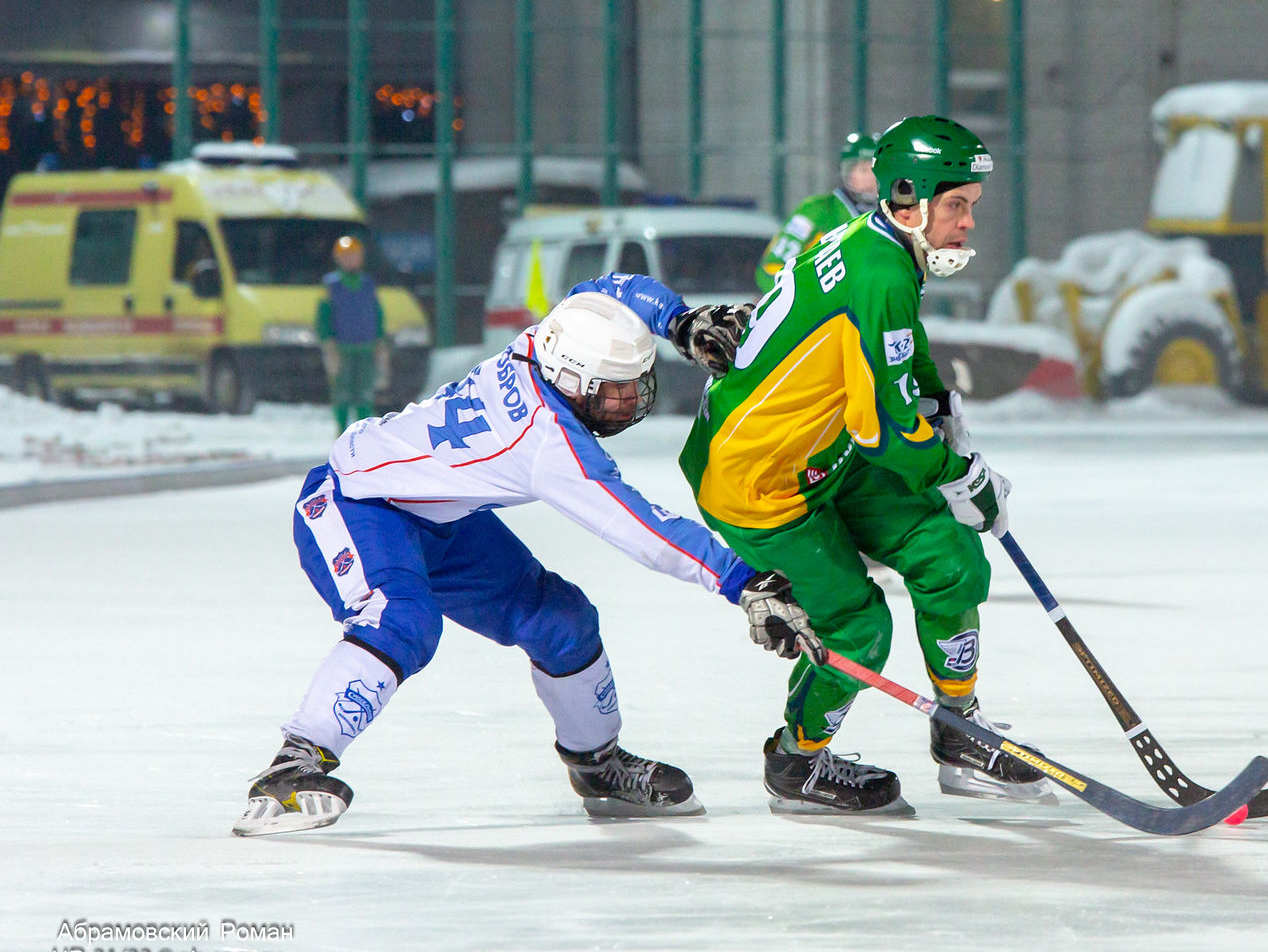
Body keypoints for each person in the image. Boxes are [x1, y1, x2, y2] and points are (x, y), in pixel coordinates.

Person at [233, 273, 811, 835]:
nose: (630, 400)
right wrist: (741, 581)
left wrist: (677, 321)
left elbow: (605, 290)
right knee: (400, 618)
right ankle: (296, 761)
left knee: (562, 619)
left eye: (635, 381)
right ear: (572, 380)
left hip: (439, 514)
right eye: (614, 389)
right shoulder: (548, 442)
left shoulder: (539, 344)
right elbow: (643, 529)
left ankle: (597, 765)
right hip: (354, 502)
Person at [680, 115, 1049, 816]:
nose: (969, 222)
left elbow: (898, 354)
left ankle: (960, 732)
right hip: (760, 480)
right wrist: (957, 472)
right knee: (858, 629)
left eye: (972, 204)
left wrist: (938, 402)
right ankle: (798, 760)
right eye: (958, 205)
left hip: (824, 450)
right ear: (909, 199)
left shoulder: (876, 245)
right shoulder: (880, 270)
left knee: (952, 559)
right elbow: (891, 437)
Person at [754, 130, 879, 294]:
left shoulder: (893, 215)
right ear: (848, 172)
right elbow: (770, 270)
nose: (872, 176)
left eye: (877, 168)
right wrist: (809, 300)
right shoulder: (818, 210)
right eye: (863, 169)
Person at [318, 235, 391, 431]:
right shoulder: (331, 285)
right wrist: (328, 341)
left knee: (365, 394)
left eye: (354, 255)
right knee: (342, 394)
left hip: (367, 348)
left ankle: (364, 433)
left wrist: (380, 339)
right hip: (341, 349)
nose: (350, 259)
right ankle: (341, 432)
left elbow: (377, 313)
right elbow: (324, 316)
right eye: (346, 256)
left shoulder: (368, 284)